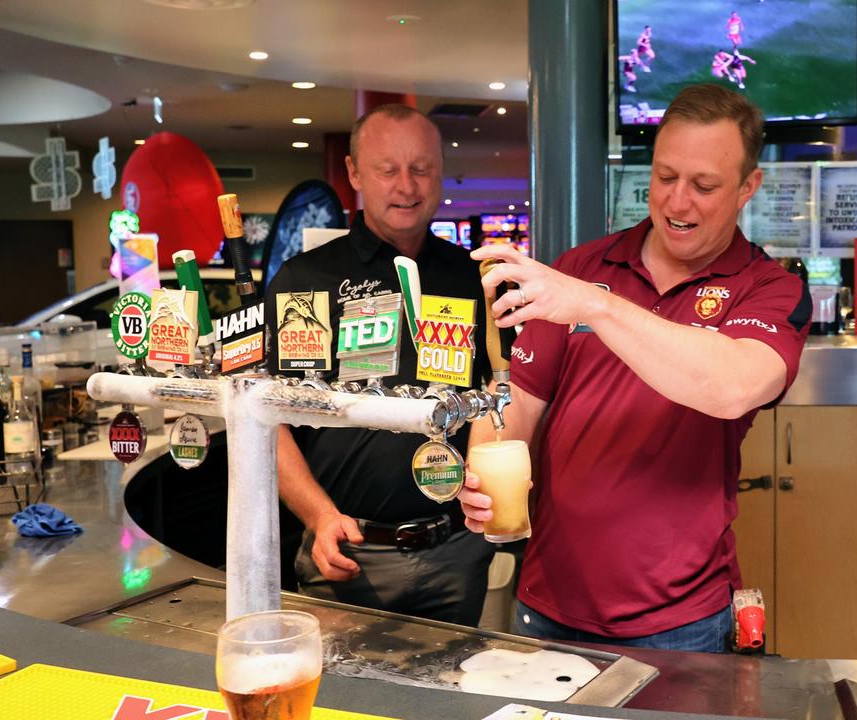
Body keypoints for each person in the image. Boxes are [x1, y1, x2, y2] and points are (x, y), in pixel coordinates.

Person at [460, 84, 811, 653]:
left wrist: (596, 306)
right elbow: (519, 400)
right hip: (548, 601)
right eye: (666, 177)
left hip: (681, 620)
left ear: (748, 187)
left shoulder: (768, 288)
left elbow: (732, 386)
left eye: (704, 186)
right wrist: (482, 473)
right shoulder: (584, 267)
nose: (677, 202)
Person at [265, 104, 495, 625]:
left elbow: (497, 400)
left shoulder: (472, 278)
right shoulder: (306, 279)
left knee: (449, 703)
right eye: (387, 169)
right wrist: (319, 517)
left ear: (440, 172)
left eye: (421, 168)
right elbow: (267, 421)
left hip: (455, 551)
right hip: (345, 552)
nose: (406, 185)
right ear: (353, 174)